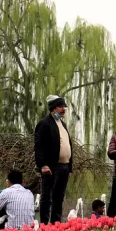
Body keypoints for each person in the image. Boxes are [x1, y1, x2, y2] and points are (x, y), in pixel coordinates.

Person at [34, 95, 73, 224]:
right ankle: (44, 225)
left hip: (64, 167)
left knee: (59, 198)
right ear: (53, 108)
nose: (63, 109)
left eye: (64, 106)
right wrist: (43, 165)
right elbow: (39, 147)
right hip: (51, 167)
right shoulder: (44, 123)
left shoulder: (62, 124)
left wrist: (70, 168)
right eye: (60, 106)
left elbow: (67, 145)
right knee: (47, 198)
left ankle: (56, 225)